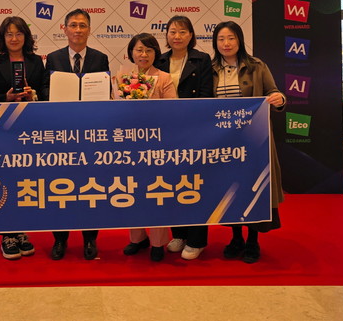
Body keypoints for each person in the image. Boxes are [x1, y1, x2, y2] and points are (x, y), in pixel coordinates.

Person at [210, 20, 285, 264]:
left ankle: (253, 240)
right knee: (231, 189)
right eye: (221, 39)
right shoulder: (210, 69)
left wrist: (279, 98)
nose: (226, 43)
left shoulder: (256, 66)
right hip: (224, 142)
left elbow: (274, 92)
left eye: (231, 38)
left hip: (254, 141)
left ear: (239, 40)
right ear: (215, 43)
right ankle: (236, 238)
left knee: (254, 188)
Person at [42, 8, 110, 260]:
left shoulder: (100, 58)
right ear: (65, 29)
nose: (78, 30)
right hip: (60, 134)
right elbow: (45, 90)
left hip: (91, 134)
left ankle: (90, 238)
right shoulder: (54, 58)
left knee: (90, 188)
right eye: (73, 25)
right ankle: (60, 239)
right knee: (60, 187)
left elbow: (105, 90)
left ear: (89, 30)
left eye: (83, 25)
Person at [0, 16, 43, 260]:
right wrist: (5, 98)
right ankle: (7, 235)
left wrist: (33, 94)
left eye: (18, 33)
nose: (14, 38)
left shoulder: (36, 62)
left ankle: (22, 231)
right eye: (9, 34)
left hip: (29, 129)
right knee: (4, 180)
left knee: (24, 181)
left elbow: (46, 93)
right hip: (0, 130)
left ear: (26, 36)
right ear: (2, 37)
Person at [154, 15, 213, 260]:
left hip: (193, 129)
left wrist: (190, 120)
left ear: (191, 35)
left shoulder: (202, 59)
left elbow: (206, 95)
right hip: (165, 132)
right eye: (172, 32)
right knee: (171, 183)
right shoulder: (159, 60)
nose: (176, 36)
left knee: (194, 184)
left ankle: (197, 239)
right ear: (166, 35)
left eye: (182, 32)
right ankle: (178, 233)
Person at [119, 32, 178, 261]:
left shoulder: (164, 78)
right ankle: (137, 238)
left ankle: (158, 241)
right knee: (131, 191)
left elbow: (173, 111)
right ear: (131, 53)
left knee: (155, 193)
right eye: (139, 50)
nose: (143, 54)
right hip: (129, 144)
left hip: (157, 144)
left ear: (156, 53)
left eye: (149, 50)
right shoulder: (123, 77)